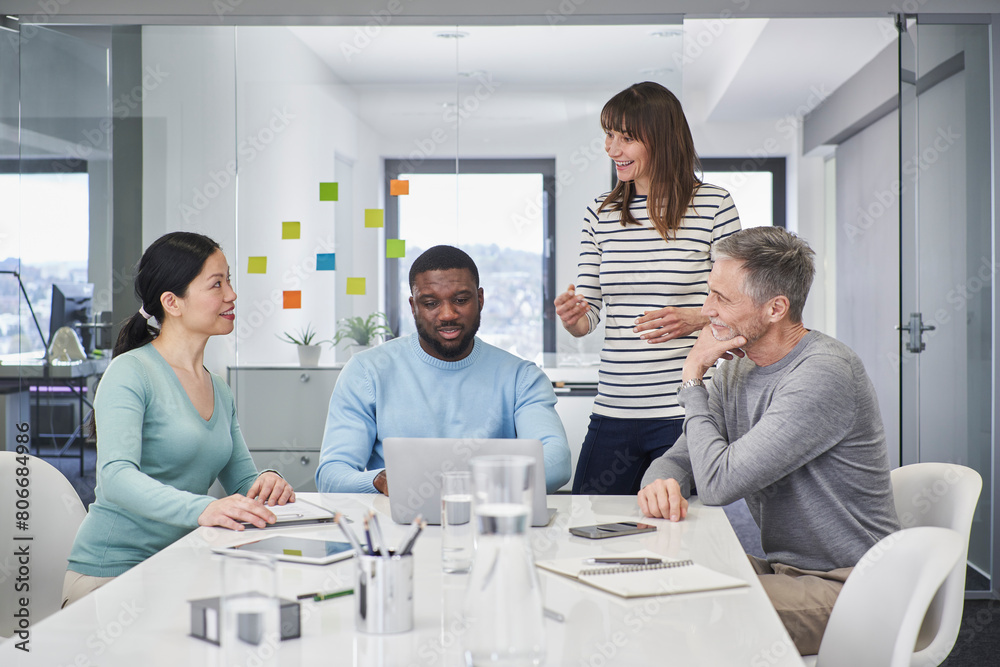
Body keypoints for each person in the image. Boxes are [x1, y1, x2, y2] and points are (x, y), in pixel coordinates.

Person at [637, 226, 900, 655]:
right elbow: (680, 459)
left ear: (776, 307)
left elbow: (719, 484)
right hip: (787, 572)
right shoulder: (740, 371)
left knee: (695, 608)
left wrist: (692, 379)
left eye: (722, 298)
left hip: (855, 584)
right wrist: (659, 482)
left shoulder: (823, 374)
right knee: (655, 580)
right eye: (710, 293)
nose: (707, 310)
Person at [63, 232, 296, 607]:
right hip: (113, 574)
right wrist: (204, 508)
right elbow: (116, 477)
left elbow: (242, 482)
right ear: (172, 302)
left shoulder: (218, 387)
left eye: (229, 280)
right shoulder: (131, 372)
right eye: (216, 284)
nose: (232, 294)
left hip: (183, 565)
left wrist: (268, 481)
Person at [554, 81, 742, 495]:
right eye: (608, 135)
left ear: (661, 138)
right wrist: (573, 317)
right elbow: (588, 318)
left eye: (626, 137)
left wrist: (694, 317)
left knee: (676, 533)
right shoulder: (599, 213)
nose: (611, 148)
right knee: (591, 523)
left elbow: (742, 304)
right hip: (613, 408)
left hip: (684, 410)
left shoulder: (713, 205)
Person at [316, 245, 571, 495]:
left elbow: (557, 461)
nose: (448, 314)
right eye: (430, 303)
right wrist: (380, 481)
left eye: (461, 300)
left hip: (490, 526)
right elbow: (331, 475)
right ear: (413, 306)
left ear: (480, 299)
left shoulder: (521, 377)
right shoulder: (366, 372)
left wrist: (466, 485)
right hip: (397, 530)